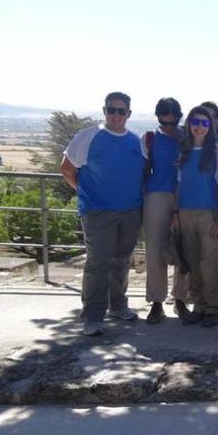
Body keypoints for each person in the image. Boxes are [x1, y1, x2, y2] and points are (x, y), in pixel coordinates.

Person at [60, 92, 146, 336]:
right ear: (104, 110)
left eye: (121, 111)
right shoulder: (88, 136)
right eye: (111, 110)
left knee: (121, 261)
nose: (116, 115)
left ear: (128, 114)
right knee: (98, 263)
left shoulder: (134, 141)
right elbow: (66, 169)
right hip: (97, 212)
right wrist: (85, 192)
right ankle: (92, 316)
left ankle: (118, 306)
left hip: (130, 211)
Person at [173, 106, 218, 327]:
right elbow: (177, 184)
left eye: (205, 123)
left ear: (210, 126)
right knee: (193, 262)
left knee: (209, 263)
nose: (200, 127)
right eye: (196, 122)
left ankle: (213, 307)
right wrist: (175, 213)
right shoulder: (182, 151)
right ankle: (199, 305)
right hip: (185, 213)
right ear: (189, 124)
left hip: (209, 214)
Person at [142, 97, 190, 324]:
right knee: (154, 251)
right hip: (157, 196)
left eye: (172, 123)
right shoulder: (151, 138)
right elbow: (143, 170)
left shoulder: (188, 138)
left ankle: (180, 298)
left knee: (183, 248)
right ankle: (156, 302)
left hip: (186, 195)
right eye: (164, 123)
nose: (168, 127)